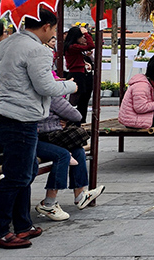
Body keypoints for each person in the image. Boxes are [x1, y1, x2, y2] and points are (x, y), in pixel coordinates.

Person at [0, 9, 78, 249]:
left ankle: (22, 224)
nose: (53, 34)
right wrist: (70, 85)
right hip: (21, 119)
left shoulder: (6, 43)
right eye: (53, 30)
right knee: (18, 175)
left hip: (2, 114)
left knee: (25, 170)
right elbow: (45, 86)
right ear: (46, 27)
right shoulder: (38, 50)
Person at [35, 92, 105, 221]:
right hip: (37, 138)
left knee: (78, 151)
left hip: (43, 137)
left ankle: (80, 195)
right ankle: (48, 203)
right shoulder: (51, 95)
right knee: (62, 155)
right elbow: (76, 115)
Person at [63, 25, 95, 123]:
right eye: (82, 37)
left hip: (81, 73)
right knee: (77, 100)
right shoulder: (72, 47)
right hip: (77, 75)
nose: (84, 39)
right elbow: (91, 45)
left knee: (84, 99)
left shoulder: (74, 48)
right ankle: (76, 120)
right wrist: (86, 33)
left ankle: (81, 119)